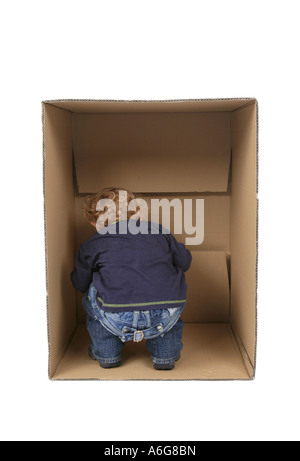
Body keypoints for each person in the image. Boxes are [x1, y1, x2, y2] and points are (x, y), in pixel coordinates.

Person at [70, 187, 192, 370]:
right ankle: (165, 357)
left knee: (92, 285)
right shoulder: (159, 231)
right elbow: (185, 262)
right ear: (140, 216)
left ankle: (107, 354)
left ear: (96, 223)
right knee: (167, 284)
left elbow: (79, 282)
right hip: (165, 315)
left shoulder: (93, 243)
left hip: (115, 316)